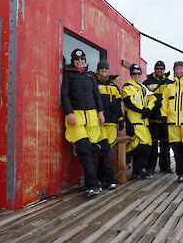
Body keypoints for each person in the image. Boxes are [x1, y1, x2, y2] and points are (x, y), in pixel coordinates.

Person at [61, 49, 104, 198]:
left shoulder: (90, 75)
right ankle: (92, 185)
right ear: (73, 61)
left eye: (82, 59)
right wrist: (69, 112)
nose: (80, 62)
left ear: (85, 60)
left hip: (92, 116)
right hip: (77, 116)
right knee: (84, 149)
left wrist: (101, 112)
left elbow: (96, 95)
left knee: (91, 149)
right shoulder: (69, 75)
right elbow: (65, 94)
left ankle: (93, 183)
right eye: (77, 59)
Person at [121, 64, 156, 179]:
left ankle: (137, 171)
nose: (137, 75)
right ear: (131, 74)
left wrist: (148, 109)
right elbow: (129, 102)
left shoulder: (143, 87)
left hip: (144, 121)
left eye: (138, 73)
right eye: (134, 73)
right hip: (134, 121)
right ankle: (125, 155)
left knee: (148, 144)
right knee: (143, 143)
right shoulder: (127, 86)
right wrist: (142, 111)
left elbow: (152, 99)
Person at [94, 60, 125, 189]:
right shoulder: (94, 84)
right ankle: (111, 179)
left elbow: (118, 105)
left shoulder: (114, 86)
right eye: (102, 70)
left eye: (106, 70)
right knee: (104, 149)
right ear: (98, 71)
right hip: (99, 122)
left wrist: (121, 119)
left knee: (105, 151)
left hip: (112, 123)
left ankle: (100, 179)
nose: (104, 73)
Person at [143, 61, 173, 174]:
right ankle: (150, 167)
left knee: (166, 143)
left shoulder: (170, 83)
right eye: (157, 68)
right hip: (152, 118)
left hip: (166, 117)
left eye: (161, 69)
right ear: (154, 69)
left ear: (164, 70)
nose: (159, 70)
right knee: (153, 144)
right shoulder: (147, 82)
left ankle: (165, 166)